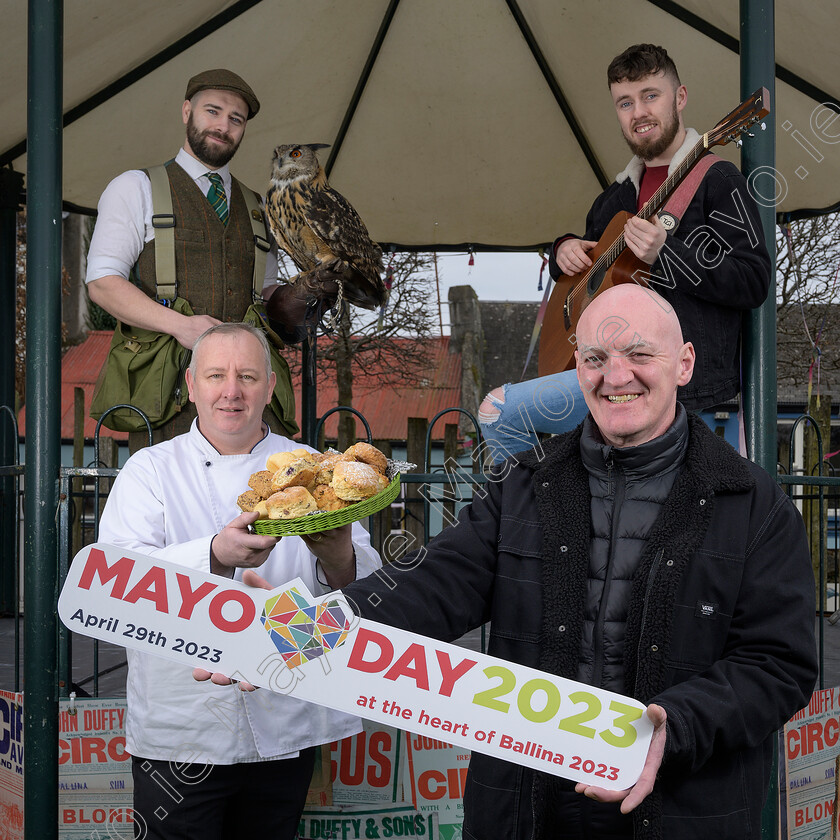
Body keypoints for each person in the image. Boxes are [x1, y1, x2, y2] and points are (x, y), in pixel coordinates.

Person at [324, 285, 813, 838]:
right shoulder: (524, 485)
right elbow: (429, 586)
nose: (616, 376)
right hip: (528, 812)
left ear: (685, 364)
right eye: (596, 359)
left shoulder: (751, 502)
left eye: (639, 354)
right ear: (578, 369)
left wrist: (675, 728)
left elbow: (779, 664)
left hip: (682, 812)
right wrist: (295, 632)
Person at [98, 322, 380, 839]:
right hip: (182, 730)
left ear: (270, 387)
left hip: (286, 716)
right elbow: (118, 584)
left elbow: (368, 595)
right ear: (191, 383)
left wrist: (337, 553)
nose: (232, 391)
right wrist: (213, 554)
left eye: (248, 376)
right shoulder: (149, 470)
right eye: (217, 375)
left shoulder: (313, 469)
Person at [479, 43, 771, 463]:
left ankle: (524, 523)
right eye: (625, 103)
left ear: (680, 97)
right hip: (606, 371)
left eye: (651, 95)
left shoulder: (718, 181)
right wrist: (563, 249)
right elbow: (584, 282)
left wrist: (667, 253)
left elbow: (753, 279)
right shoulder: (612, 199)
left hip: (677, 379)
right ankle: (540, 518)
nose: (639, 112)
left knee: (501, 413)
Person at [86, 68, 312, 451]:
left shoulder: (259, 205)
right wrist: (180, 326)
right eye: (213, 111)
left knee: (267, 504)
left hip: (251, 405)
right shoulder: (135, 187)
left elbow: (265, 293)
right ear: (187, 111)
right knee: (171, 508)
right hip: (168, 397)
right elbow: (103, 283)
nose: (223, 126)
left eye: (235, 119)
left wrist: (303, 296)